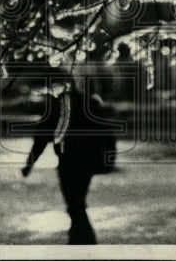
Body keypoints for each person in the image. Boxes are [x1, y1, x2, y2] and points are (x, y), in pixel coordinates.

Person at [20, 84, 117, 245]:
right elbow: (106, 132)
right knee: (77, 200)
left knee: (75, 202)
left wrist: (30, 163)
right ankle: (79, 235)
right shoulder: (87, 102)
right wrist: (108, 159)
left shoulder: (59, 106)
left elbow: (42, 137)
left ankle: (83, 239)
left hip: (69, 162)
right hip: (87, 160)